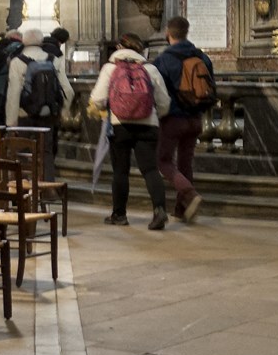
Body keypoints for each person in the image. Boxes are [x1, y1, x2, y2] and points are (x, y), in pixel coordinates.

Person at [89, 43, 171, 230]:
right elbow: (164, 101)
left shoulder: (110, 68)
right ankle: (159, 209)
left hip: (120, 125)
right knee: (150, 169)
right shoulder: (150, 69)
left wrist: (106, 109)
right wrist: (155, 115)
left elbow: (97, 99)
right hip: (148, 124)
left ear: (119, 47)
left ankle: (119, 214)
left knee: (120, 171)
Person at [154, 15, 213, 224]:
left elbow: (157, 91)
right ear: (187, 32)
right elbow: (209, 87)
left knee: (163, 161)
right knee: (185, 162)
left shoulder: (163, 60)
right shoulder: (202, 57)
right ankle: (181, 210)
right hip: (196, 118)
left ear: (167, 34)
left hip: (173, 118)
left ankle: (189, 194)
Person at [6, 23, 72, 177]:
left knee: (21, 153)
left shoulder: (17, 61)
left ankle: (20, 190)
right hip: (47, 114)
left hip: (24, 114)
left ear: (24, 42)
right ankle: (47, 189)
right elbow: (67, 90)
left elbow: (14, 93)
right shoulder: (53, 59)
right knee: (46, 152)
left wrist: (11, 121)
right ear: (41, 42)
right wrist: (62, 111)